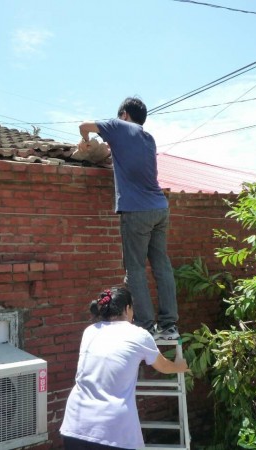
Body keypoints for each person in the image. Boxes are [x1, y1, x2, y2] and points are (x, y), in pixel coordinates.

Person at [79, 97, 179, 340]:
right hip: (160, 208)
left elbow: (84, 125)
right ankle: (170, 326)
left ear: (124, 114)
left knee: (134, 270)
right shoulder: (148, 138)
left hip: (137, 211)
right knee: (162, 266)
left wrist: (85, 143)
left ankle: (146, 326)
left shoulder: (118, 125)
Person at [60, 286, 188, 450]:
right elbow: (163, 366)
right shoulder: (138, 334)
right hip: (112, 430)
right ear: (127, 309)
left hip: (75, 423)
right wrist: (180, 366)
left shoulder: (90, 331)